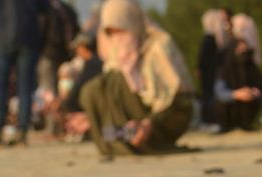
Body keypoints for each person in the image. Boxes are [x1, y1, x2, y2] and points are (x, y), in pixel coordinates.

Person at [80, 0, 194, 159]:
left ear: (133, 23)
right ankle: (116, 136)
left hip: (167, 119)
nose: (117, 38)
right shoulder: (115, 56)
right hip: (137, 123)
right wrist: (92, 117)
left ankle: (128, 135)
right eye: (111, 33)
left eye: (121, 30)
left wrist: (149, 123)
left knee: (117, 81)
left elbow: (179, 98)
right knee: (94, 88)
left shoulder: (159, 47)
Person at [0, 0, 48, 147]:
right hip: (27, 36)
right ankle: (22, 134)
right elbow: (44, 7)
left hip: (0, 36)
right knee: (25, 89)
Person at [214, 14, 262, 132]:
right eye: (240, 49)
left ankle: (247, 124)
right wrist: (236, 94)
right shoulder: (225, 69)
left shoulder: (252, 68)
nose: (243, 52)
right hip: (230, 108)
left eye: (245, 49)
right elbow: (219, 93)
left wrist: (255, 92)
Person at [38, 0, 80, 95]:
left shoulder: (44, 9)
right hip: (64, 55)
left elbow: (40, 31)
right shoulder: (67, 9)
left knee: (49, 92)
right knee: (63, 92)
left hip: (49, 54)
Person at [198, 9, 231, 128]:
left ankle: (211, 120)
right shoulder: (210, 39)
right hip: (210, 73)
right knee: (209, 96)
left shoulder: (210, 39)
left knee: (210, 95)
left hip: (210, 73)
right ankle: (209, 121)